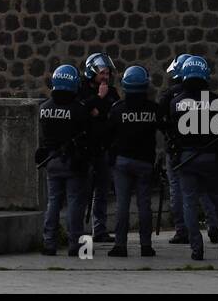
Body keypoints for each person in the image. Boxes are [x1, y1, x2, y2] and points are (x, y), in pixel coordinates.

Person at [168, 55, 218, 261]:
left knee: (189, 203)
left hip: (186, 158)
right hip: (211, 158)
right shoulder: (217, 101)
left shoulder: (175, 103)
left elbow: (172, 132)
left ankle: (196, 247)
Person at [159, 53, 218, 244]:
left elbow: (161, 119)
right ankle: (213, 225)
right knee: (206, 191)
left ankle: (182, 230)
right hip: (206, 150)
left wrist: (171, 136)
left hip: (178, 151)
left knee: (179, 191)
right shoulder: (206, 96)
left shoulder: (171, 95)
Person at [106, 65, 159, 257]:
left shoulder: (117, 109)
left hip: (122, 162)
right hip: (145, 162)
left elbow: (107, 135)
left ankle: (120, 245)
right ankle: (146, 245)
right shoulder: (154, 110)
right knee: (144, 205)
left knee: (122, 204)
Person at [37, 64, 89, 256]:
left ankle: (49, 243)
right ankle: (75, 245)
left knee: (53, 203)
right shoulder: (79, 110)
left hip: (51, 161)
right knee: (75, 204)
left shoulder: (44, 108)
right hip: (73, 162)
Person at [79, 52, 118, 242]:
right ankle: (77, 232)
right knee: (81, 191)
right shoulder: (82, 90)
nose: (106, 77)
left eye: (107, 73)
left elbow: (112, 115)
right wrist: (98, 100)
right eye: (102, 73)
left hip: (104, 148)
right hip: (85, 150)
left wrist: (98, 110)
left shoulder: (112, 93)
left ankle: (100, 230)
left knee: (102, 192)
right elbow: (81, 112)